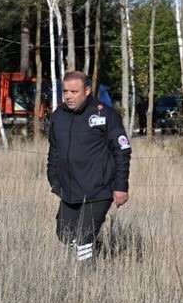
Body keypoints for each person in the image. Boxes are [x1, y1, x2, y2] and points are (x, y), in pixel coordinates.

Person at [46, 70, 131, 263]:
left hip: (98, 189)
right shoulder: (58, 116)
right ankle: (93, 252)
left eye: (74, 92)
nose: (68, 96)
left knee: (84, 238)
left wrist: (120, 187)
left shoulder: (105, 115)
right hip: (68, 189)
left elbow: (122, 151)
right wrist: (53, 177)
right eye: (65, 91)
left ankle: (87, 283)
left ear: (87, 91)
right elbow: (54, 150)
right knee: (64, 234)